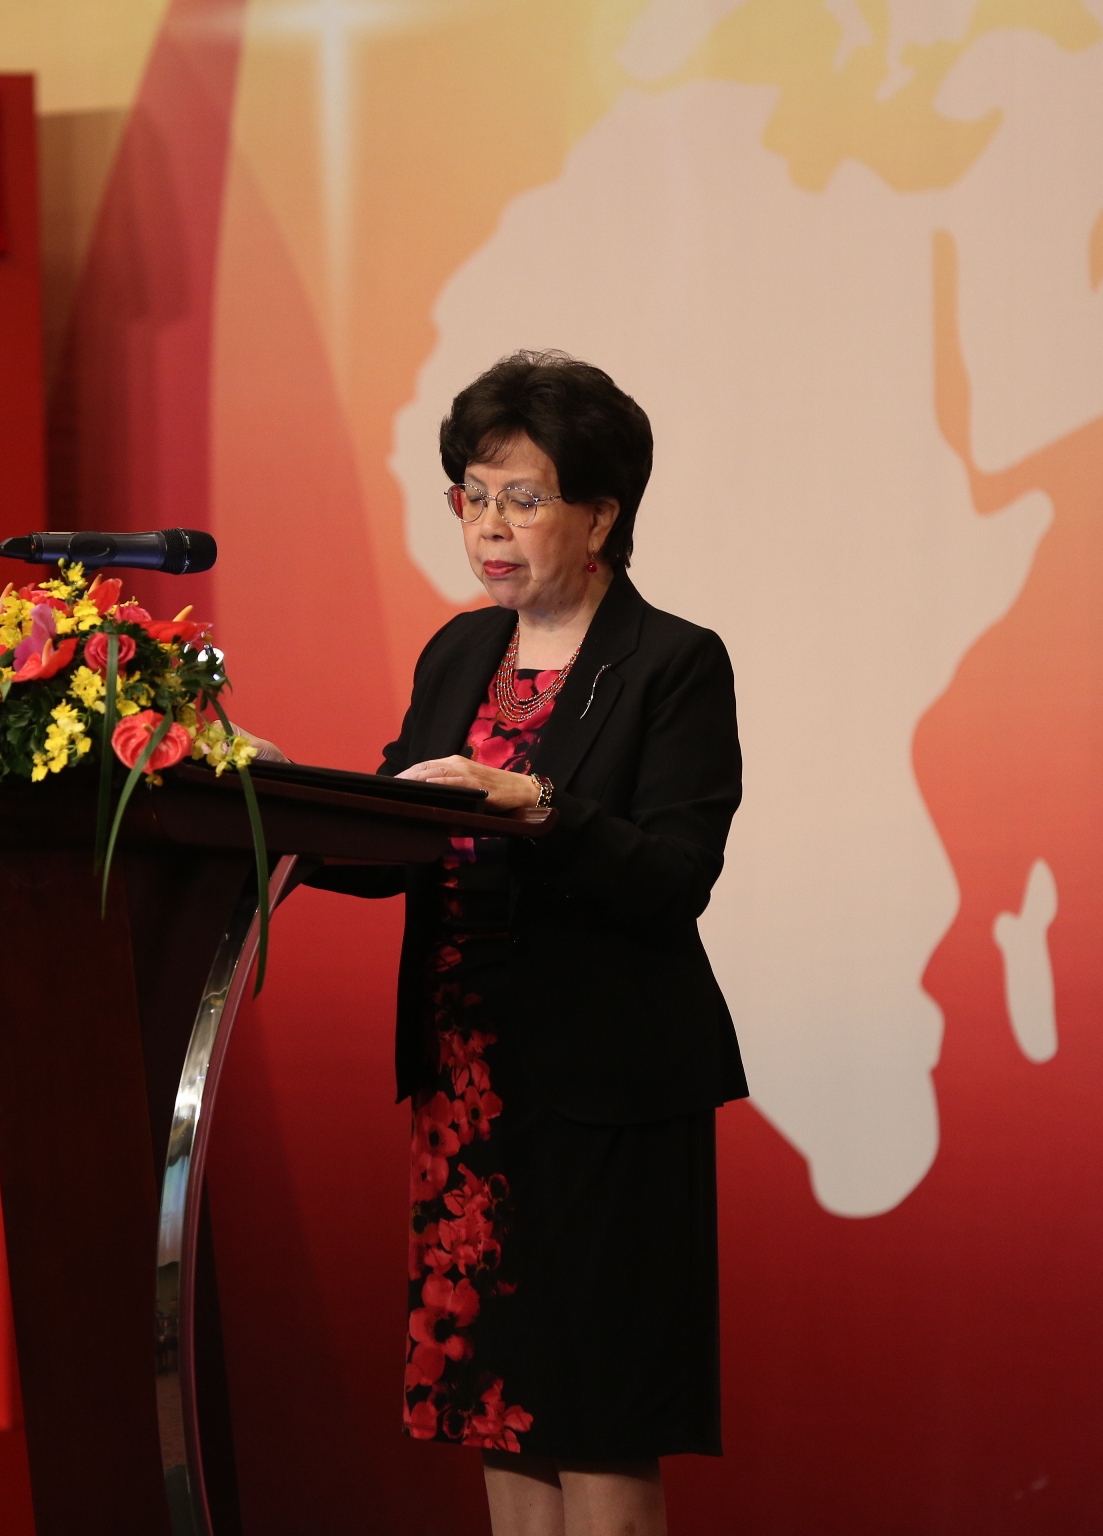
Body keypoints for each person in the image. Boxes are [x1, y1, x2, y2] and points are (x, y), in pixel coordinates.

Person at [310, 350, 745, 1536]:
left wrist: (534, 804)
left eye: (524, 498)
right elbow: (396, 836)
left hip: (608, 1094)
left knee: (597, 1419)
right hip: (467, 1086)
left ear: (602, 514)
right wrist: (258, 807)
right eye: (472, 495)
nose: (489, 526)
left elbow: (675, 877)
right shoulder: (460, 654)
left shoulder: (673, 664)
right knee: (495, 1409)